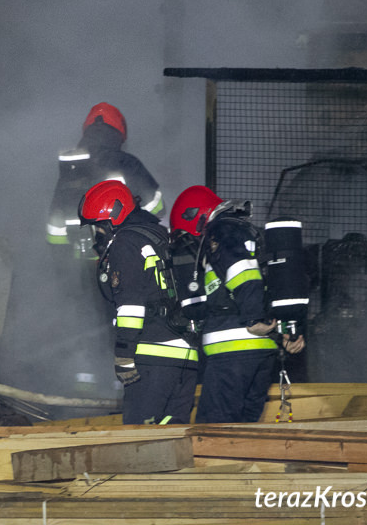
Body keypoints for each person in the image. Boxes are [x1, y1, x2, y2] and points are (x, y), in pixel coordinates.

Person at [169, 186, 305, 423]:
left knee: (213, 428)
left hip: (231, 352)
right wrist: (282, 331)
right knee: (244, 428)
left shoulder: (222, 232)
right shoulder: (247, 235)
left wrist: (253, 319)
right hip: (260, 349)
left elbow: (243, 274)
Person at [79, 180, 198, 424]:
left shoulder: (125, 243)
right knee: (172, 437)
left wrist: (124, 354)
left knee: (139, 441)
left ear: (110, 219)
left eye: (98, 228)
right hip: (186, 354)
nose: (97, 235)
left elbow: (131, 307)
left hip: (153, 356)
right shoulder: (159, 237)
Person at [47, 103, 164, 251]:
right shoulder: (127, 164)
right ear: (118, 134)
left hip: (82, 265)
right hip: (122, 256)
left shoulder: (70, 169)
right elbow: (157, 209)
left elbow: (55, 232)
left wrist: (66, 267)